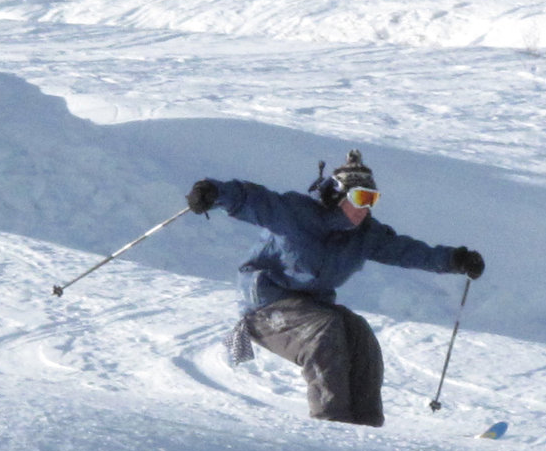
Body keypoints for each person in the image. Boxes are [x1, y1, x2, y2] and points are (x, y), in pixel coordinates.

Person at [186, 149, 484, 427]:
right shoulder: (293, 213)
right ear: (338, 195)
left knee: (358, 333)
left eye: (373, 199)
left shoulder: (364, 234)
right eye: (361, 197)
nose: (366, 208)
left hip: (312, 308)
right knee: (325, 332)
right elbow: (251, 198)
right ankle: (331, 428)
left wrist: (455, 260)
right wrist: (211, 192)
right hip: (267, 306)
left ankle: (364, 429)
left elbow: (405, 250)